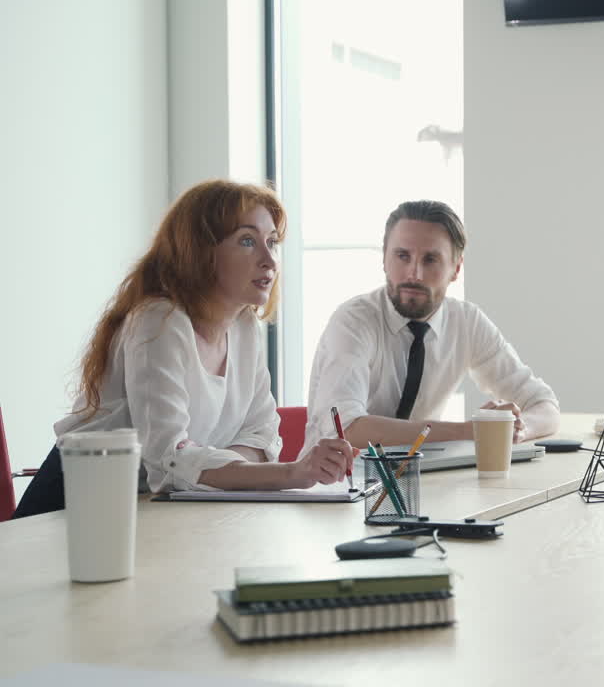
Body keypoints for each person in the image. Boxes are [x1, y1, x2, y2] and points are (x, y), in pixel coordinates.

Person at [13, 180, 354, 518]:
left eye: (272, 242)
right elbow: (168, 463)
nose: (269, 260)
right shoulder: (159, 321)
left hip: (156, 510)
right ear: (201, 252)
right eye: (248, 241)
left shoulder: (244, 327)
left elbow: (264, 439)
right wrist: (291, 473)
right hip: (75, 507)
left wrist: (205, 464)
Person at [305, 200, 560, 453]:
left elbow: (544, 405)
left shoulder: (466, 321)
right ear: (384, 258)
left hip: (422, 482)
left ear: (456, 269)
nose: (414, 273)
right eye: (402, 256)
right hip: (336, 486)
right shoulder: (354, 321)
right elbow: (347, 430)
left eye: (430, 259)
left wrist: (516, 428)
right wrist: (466, 431)